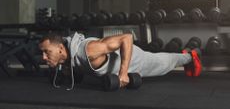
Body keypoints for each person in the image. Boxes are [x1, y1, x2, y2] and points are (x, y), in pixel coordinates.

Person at [39, 31, 202, 90]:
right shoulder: (66, 55)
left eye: (47, 52)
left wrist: (123, 74)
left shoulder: (88, 50)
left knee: (165, 63)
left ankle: (190, 55)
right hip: (118, 64)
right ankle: (185, 53)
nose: (43, 57)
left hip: (135, 61)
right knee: (165, 60)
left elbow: (127, 37)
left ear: (60, 48)